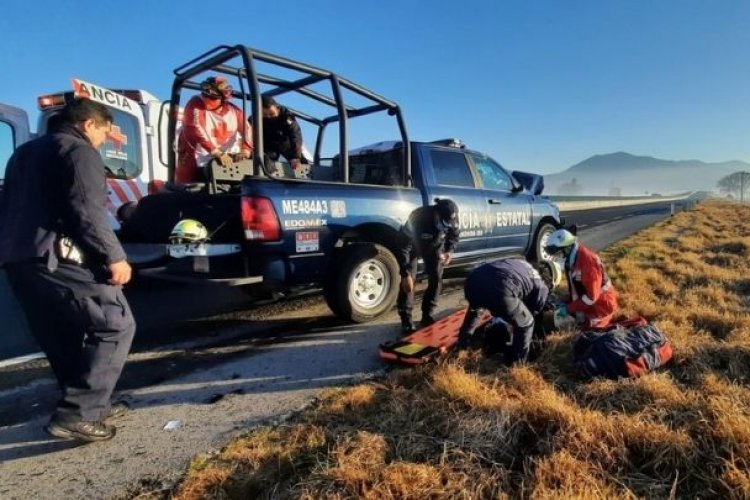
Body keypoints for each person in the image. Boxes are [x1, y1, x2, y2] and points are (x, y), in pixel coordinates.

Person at [0, 98, 136, 442]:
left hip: (18, 260)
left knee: (60, 334)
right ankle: (79, 414)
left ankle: (89, 404)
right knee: (115, 324)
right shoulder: (79, 151)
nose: (104, 139)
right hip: (56, 257)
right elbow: (87, 211)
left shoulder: (22, 155)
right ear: (89, 124)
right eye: (105, 131)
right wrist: (114, 256)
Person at [455, 259, 551, 364]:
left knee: (474, 313)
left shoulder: (521, 264)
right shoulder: (541, 284)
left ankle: (461, 347)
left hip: (473, 281)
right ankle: (519, 364)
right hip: (502, 289)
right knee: (527, 324)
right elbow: (534, 311)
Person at [397, 198, 460, 333]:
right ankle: (406, 319)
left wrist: (449, 251)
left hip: (434, 246)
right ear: (436, 214)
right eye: (443, 223)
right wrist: (405, 273)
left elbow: (454, 236)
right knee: (408, 284)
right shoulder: (418, 217)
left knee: (436, 278)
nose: (445, 226)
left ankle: (427, 314)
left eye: (447, 224)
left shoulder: (452, 219)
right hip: (412, 246)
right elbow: (403, 247)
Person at [175, 76, 253, 183]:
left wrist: (246, 150)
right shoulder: (195, 103)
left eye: (212, 98)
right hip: (195, 159)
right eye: (206, 96)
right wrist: (216, 152)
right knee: (186, 190)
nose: (207, 101)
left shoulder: (235, 111)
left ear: (223, 99)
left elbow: (247, 129)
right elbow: (194, 127)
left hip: (226, 163)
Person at [544, 228, 619, 329]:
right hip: (589, 305)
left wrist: (569, 308)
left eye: (557, 253)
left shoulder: (587, 261)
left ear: (566, 248)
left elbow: (591, 297)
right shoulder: (572, 260)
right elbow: (577, 289)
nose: (557, 257)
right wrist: (565, 301)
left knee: (584, 330)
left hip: (602, 307)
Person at [260, 95, 305, 172]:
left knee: (301, 162)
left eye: (271, 114)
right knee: (265, 160)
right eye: (265, 115)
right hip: (269, 145)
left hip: (286, 144)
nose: (268, 117)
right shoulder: (257, 118)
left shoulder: (287, 116)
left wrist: (296, 156)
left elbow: (295, 134)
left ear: (277, 108)